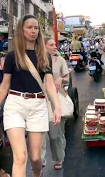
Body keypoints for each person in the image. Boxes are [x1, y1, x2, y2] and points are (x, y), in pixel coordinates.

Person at [0, 14, 61, 177]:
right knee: (20, 156)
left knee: (36, 158)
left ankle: (37, 174)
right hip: (15, 105)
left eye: (36, 28)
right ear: (22, 30)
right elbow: (4, 85)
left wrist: (57, 106)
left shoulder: (45, 55)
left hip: (38, 106)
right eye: (29, 27)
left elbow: (49, 83)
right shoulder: (12, 56)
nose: (33, 31)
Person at [43, 37, 69, 170]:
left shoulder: (60, 60)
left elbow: (67, 78)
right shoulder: (38, 61)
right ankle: (40, 161)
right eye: (51, 45)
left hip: (56, 99)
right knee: (40, 133)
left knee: (55, 134)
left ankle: (59, 157)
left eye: (55, 44)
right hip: (40, 100)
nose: (55, 47)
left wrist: (60, 79)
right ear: (44, 46)